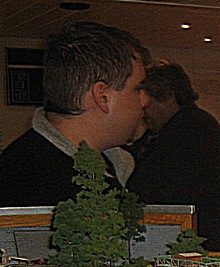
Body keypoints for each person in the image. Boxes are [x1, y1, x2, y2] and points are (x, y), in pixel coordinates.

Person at [0, 22, 151, 207]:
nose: (145, 100)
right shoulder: (30, 185)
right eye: (137, 89)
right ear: (102, 96)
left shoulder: (114, 165)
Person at [126, 60, 220, 251]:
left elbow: (144, 185)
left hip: (214, 242)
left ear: (169, 96)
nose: (143, 112)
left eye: (148, 105)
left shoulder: (186, 128)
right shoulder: (194, 123)